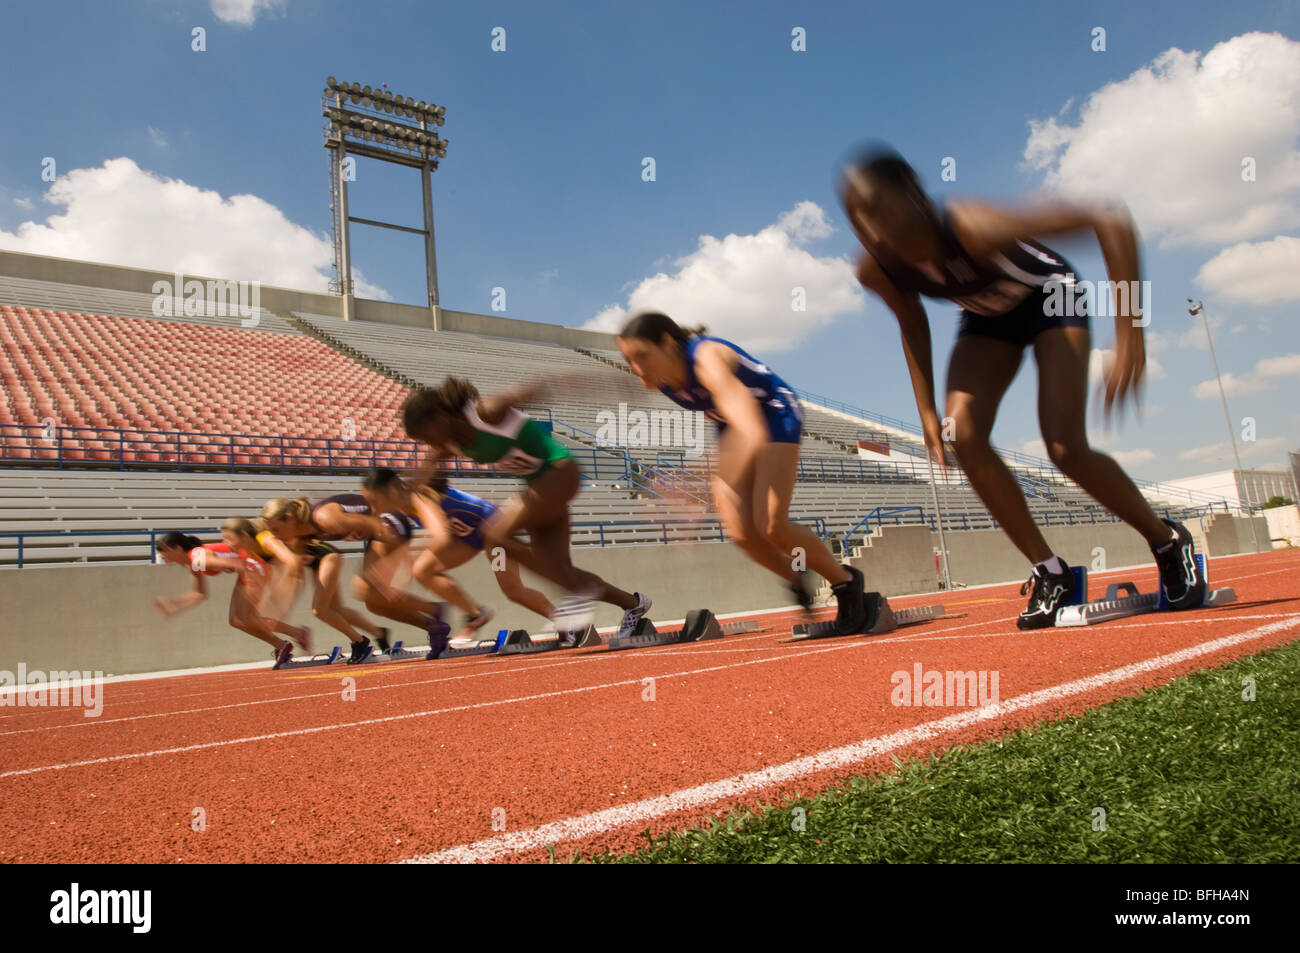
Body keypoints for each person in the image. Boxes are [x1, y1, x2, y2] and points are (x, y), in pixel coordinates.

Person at [837, 145, 1206, 628]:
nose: (873, 231)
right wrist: (926, 409)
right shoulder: (874, 267)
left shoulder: (973, 225)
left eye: (880, 212)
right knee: (961, 433)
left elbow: (1108, 219)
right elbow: (911, 320)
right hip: (989, 317)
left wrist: (1130, 332)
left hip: (1050, 296)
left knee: (1064, 446)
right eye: (858, 222)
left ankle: (1166, 540)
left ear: (914, 194)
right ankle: (1050, 571)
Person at [616, 311, 872, 634]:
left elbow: (751, 428)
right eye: (629, 361)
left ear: (668, 344)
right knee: (742, 533)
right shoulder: (664, 380)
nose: (637, 369)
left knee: (770, 525)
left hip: (774, 414)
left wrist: (690, 480)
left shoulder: (707, 358)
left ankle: (846, 582)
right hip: (733, 426)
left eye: (642, 356)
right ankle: (796, 575)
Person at [401, 378, 651, 640]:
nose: (428, 444)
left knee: (495, 536)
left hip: (560, 472)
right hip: (540, 488)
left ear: (440, 417)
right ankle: (634, 604)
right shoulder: (448, 444)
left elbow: (547, 387)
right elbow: (418, 477)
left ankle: (580, 592)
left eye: (426, 436)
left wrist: (613, 385)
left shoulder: (487, 412)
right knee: (560, 572)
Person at [407, 476, 578, 644]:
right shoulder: (400, 505)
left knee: (513, 591)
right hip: (469, 536)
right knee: (423, 570)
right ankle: (475, 614)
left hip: (495, 532)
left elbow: (441, 533)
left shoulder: (417, 496)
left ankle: (563, 619)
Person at [153, 531, 308, 669]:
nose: (161, 554)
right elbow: (200, 594)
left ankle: (296, 633)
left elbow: (237, 564)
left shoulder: (197, 557)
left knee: (247, 618)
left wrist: (248, 579)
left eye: (164, 550)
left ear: (178, 548)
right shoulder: (192, 563)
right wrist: (174, 605)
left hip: (252, 566)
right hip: (247, 568)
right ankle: (282, 645)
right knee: (236, 621)